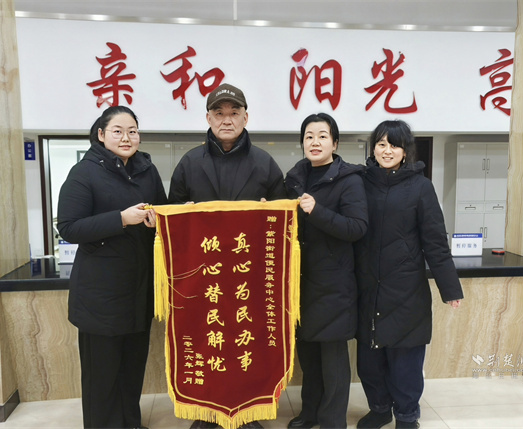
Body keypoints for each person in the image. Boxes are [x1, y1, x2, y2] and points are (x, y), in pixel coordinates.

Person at [168, 83, 287, 429]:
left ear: (246, 118)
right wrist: (184, 213)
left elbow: (283, 222)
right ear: (208, 118)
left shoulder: (264, 163)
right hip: (203, 278)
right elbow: (171, 216)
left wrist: (269, 213)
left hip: (248, 277)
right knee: (208, 343)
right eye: (219, 113)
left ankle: (247, 411)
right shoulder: (190, 163)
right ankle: (207, 412)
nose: (226, 119)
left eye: (234, 113)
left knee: (246, 345)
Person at [57, 106, 168, 428]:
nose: (126, 137)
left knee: (132, 371)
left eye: (132, 131)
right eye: (118, 131)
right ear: (101, 134)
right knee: (102, 376)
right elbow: (69, 227)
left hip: (138, 290)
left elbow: (161, 212)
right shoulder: (84, 172)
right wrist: (121, 219)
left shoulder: (146, 170)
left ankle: (130, 423)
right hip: (100, 296)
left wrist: (161, 219)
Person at [354, 120, 463, 429]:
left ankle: (406, 415)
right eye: (381, 144)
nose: (387, 150)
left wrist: (450, 288)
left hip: (406, 291)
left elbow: (435, 242)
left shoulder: (420, 187)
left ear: (405, 151)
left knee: (405, 362)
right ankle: (379, 409)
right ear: (373, 148)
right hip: (367, 288)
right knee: (370, 361)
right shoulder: (360, 182)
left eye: (394, 145)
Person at [284, 113, 368, 429]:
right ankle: (310, 413)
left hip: (334, 282)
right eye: (309, 136)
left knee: (332, 359)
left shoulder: (350, 180)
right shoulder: (294, 179)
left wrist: (317, 211)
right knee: (308, 354)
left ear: (335, 142)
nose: (315, 142)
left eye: (322, 136)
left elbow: (357, 228)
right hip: (300, 282)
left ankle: (333, 421)